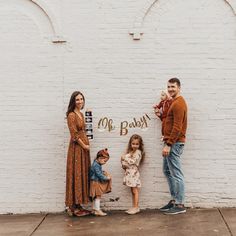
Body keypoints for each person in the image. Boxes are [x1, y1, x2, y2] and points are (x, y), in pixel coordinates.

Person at [160, 78, 188, 215]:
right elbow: (170, 122)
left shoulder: (179, 103)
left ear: (179, 88)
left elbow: (177, 127)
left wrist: (168, 144)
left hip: (174, 143)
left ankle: (180, 204)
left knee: (176, 173)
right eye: (169, 86)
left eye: (173, 87)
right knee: (167, 171)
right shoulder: (173, 102)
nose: (170, 89)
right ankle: (174, 199)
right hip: (170, 141)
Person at [65, 91, 91, 217]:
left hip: (83, 149)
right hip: (77, 149)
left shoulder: (80, 114)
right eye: (77, 100)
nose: (80, 101)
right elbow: (74, 135)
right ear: (73, 102)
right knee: (76, 173)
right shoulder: (71, 115)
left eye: (81, 99)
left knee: (82, 173)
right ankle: (72, 206)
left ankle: (78, 204)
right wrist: (84, 145)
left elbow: (84, 130)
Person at [121, 134, 145, 215]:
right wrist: (123, 163)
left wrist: (124, 158)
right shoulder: (131, 152)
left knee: (135, 190)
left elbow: (132, 161)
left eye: (137, 144)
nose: (135, 145)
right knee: (132, 191)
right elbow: (126, 163)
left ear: (139, 145)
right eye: (133, 144)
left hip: (133, 173)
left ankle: (136, 207)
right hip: (129, 173)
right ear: (130, 144)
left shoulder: (138, 152)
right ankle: (134, 206)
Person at [90, 149, 112, 216]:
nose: (105, 162)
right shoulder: (96, 165)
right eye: (105, 161)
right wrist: (106, 178)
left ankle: (94, 209)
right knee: (98, 196)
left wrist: (102, 172)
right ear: (100, 158)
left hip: (94, 181)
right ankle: (98, 210)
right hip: (95, 182)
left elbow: (98, 172)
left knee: (95, 196)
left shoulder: (96, 163)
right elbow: (98, 174)